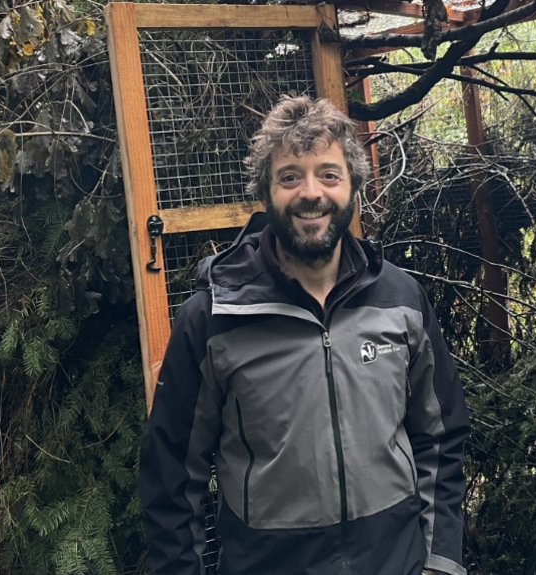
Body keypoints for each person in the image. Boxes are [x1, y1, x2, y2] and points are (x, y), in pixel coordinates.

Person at [139, 96, 469, 575]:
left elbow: (441, 439)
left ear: (353, 186)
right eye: (290, 176)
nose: (310, 193)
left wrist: (440, 563)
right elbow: (171, 476)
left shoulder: (402, 300)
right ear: (266, 191)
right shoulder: (214, 317)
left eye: (329, 175)